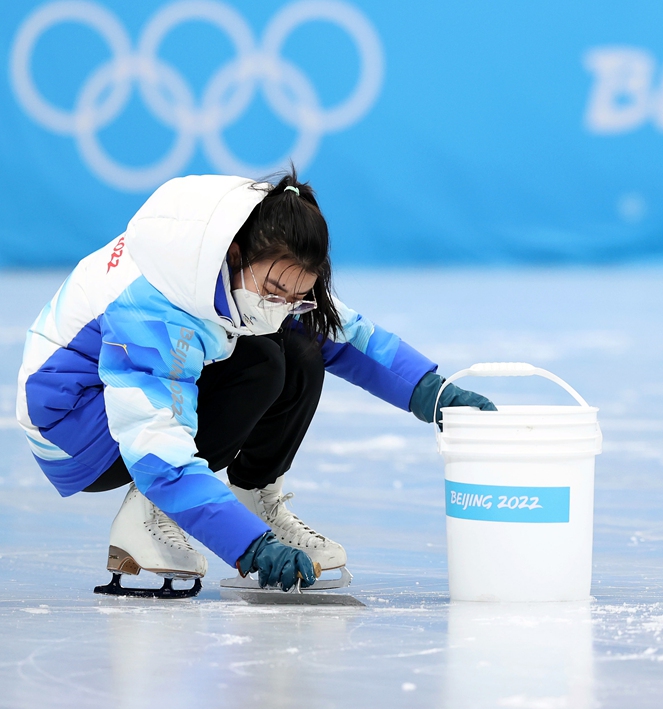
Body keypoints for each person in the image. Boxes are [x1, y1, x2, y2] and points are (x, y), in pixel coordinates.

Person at [15, 171, 495, 598]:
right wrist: (249, 549)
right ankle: (150, 516)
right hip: (72, 427)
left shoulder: (250, 247)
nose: (283, 302)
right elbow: (155, 445)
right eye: (273, 290)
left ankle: (252, 499)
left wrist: (434, 395)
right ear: (236, 253)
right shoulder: (153, 306)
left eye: (297, 294)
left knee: (302, 345)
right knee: (260, 360)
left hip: (116, 409)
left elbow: (343, 335)